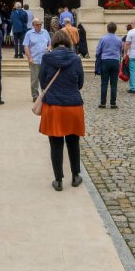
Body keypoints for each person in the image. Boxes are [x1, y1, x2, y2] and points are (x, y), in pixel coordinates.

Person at [39, 30, 86, 191]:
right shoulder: (76, 59)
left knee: (56, 143)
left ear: (53, 42)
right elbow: (80, 83)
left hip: (53, 105)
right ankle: (75, 176)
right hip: (73, 105)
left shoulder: (46, 58)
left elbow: (43, 81)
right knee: (73, 142)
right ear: (68, 42)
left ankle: (58, 180)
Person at [94, 21, 124, 109]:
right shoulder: (119, 39)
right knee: (114, 84)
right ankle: (113, 103)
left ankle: (103, 103)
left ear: (107, 29)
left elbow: (98, 51)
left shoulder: (103, 39)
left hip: (105, 61)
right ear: (115, 30)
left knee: (104, 83)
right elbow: (120, 51)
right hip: (115, 61)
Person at [23, 17, 51, 102]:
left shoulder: (45, 32)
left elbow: (50, 43)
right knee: (34, 79)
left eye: (40, 24)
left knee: (45, 78)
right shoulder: (29, 33)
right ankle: (35, 95)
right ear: (33, 25)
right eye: (37, 24)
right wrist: (29, 58)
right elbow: (26, 46)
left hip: (45, 60)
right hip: (34, 60)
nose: (39, 26)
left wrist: (49, 48)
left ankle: (44, 94)